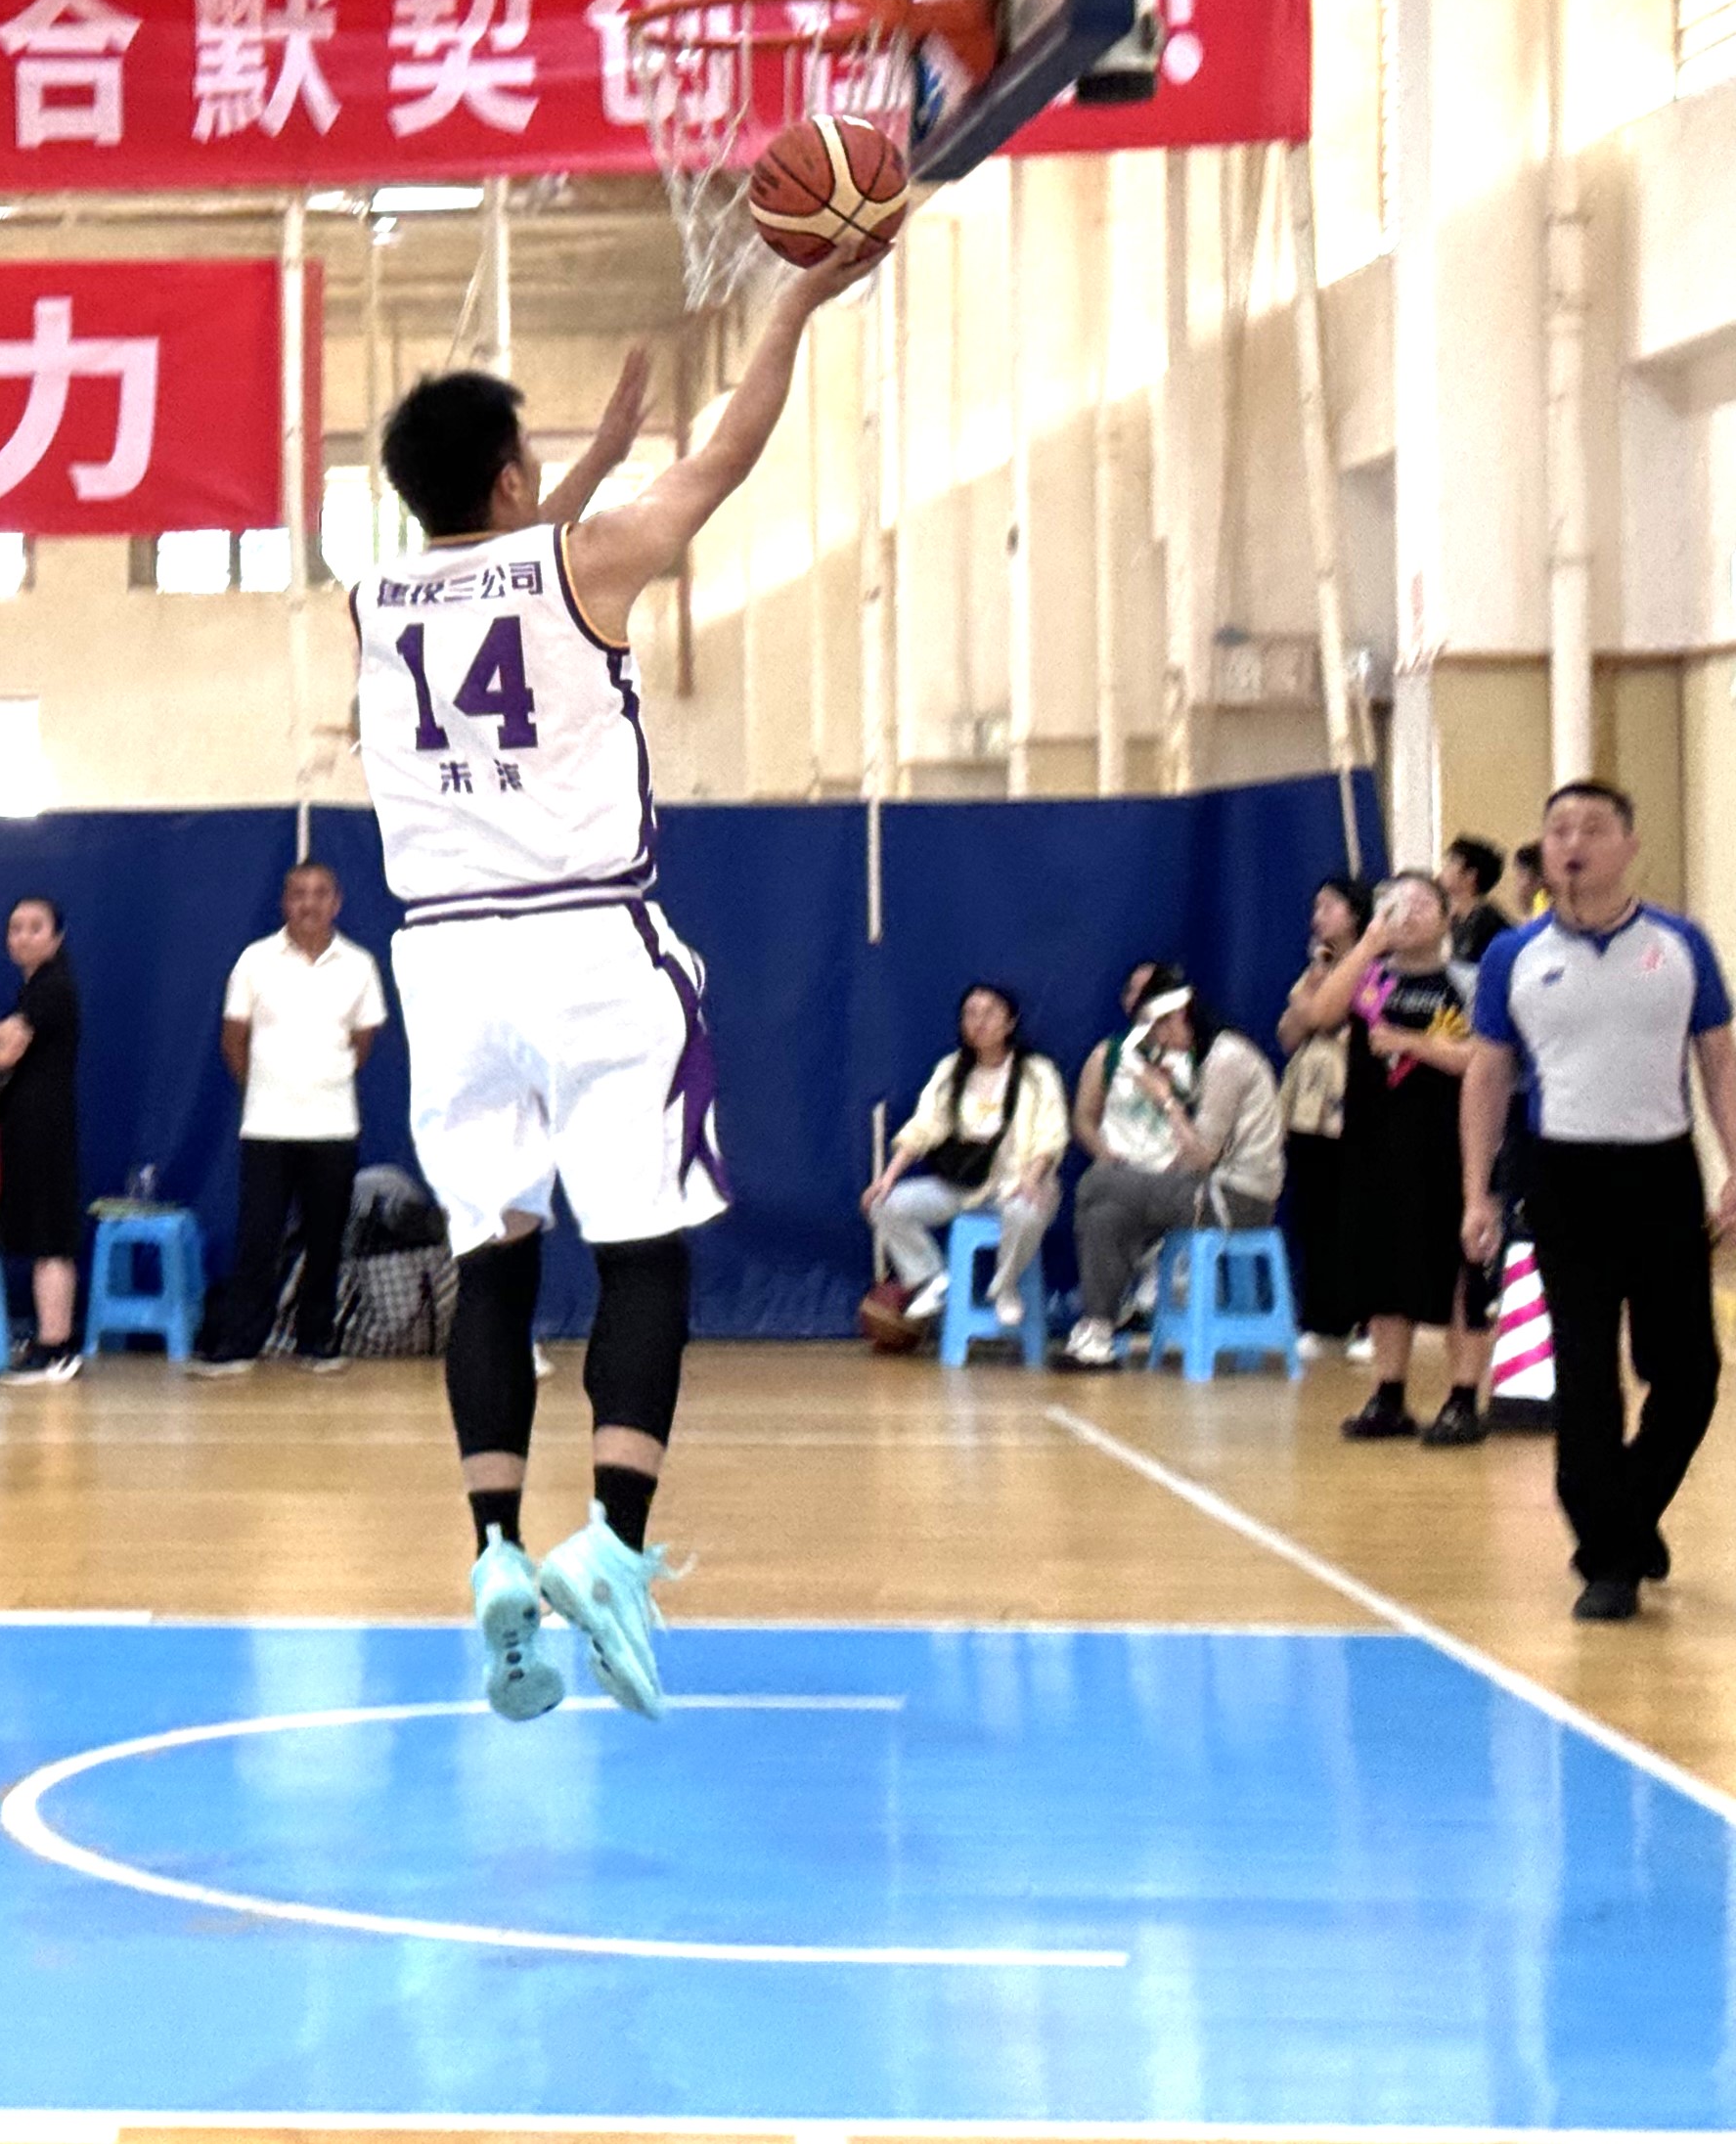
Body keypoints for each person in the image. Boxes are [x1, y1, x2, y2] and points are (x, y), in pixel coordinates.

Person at [363, 258, 872, 1730]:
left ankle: (492, 1548)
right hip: (586, 941)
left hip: (444, 959)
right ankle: (613, 1541)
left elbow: (497, 552)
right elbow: (725, 458)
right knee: (644, 1255)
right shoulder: (587, 564)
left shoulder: (372, 597)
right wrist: (792, 307)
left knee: (494, 1258)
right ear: (512, 476)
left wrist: (573, 464)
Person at [1462, 780, 1736, 1623]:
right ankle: (1609, 1559)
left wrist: (1735, 1163)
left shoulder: (1681, 944)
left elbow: (1719, 1060)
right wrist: (1477, 1191)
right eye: (1558, 829)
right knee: (1584, 1372)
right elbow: (1487, 1073)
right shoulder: (1514, 957)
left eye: (1591, 828)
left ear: (1628, 845)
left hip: (1661, 1172)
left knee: (1689, 1371)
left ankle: (1628, 1512)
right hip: (1563, 1174)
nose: (1572, 843)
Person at [1290, 874, 1488, 1445]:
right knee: (1380, 1267)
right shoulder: (1369, 976)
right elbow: (1320, 1014)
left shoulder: (1468, 981)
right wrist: (1370, 944)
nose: (1408, 912)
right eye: (1395, 903)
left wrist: (1413, 1044)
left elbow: (1485, 1058)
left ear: (1447, 917)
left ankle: (1462, 1397)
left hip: (1450, 1146)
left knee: (1460, 1270)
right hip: (1374, 1147)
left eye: (1422, 903)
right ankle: (1388, 1393)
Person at [195, 862, 390, 1377]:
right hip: (266, 1127)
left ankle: (316, 1341)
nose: (309, 903)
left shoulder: (360, 964)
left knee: (326, 1240)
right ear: (284, 902)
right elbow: (233, 1037)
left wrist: (324, 1078)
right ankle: (240, 1343)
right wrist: (266, 1088)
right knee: (258, 1238)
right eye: (299, 893)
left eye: (320, 893)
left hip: (334, 1125)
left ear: (336, 902)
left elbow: (365, 1038)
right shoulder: (255, 960)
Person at [1063, 969, 1283, 1371]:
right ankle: (1097, 1332)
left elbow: (1201, 1157)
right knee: (1106, 1213)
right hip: (1204, 1188)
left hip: (1238, 1199)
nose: (1160, 1042)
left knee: (1098, 1183)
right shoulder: (1209, 1055)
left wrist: (1165, 1100)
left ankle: (1109, 1307)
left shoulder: (1227, 1058)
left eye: (1160, 1029)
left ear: (1179, 1017)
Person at [860, 983, 1069, 1328]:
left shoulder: (1037, 1072)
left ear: (1010, 1022)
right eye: (971, 1014)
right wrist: (888, 1178)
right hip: (964, 1186)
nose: (979, 1022)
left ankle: (1005, 1286)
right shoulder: (951, 1069)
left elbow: (1052, 1133)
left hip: (1019, 1183)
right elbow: (924, 1127)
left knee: (1026, 1213)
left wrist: (1032, 1180)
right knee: (883, 1204)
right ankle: (932, 1279)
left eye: (989, 1013)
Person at [0, 895, 89, 1382]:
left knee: (51, 1239)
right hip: (25, 1125)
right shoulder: (33, 989)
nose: (23, 936)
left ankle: (56, 1347)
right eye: (15, 928)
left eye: (35, 927)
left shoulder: (53, 987)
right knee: (42, 1237)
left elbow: (3, 1051)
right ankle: (51, 1339)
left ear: (57, 937)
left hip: (47, 1127)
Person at [1276, 878, 1367, 1360]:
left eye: (1329, 906)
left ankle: (1366, 1321)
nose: (1318, 917)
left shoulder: (1373, 967)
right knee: (1313, 1215)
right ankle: (1320, 1319)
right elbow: (1291, 1033)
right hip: (1307, 1107)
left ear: (1355, 914)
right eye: (1315, 907)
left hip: (1352, 1102)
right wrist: (1311, 987)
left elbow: (1325, 1019)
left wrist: (1311, 1005)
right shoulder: (1317, 968)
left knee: (1355, 1214)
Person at [1443, 835, 1511, 967]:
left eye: (1451, 862)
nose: (1444, 869)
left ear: (1471, 875)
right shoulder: (1453, 921)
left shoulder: (1491, 926)